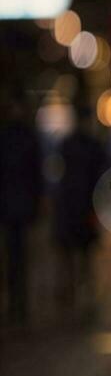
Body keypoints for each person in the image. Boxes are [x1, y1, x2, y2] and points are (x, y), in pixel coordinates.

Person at [52, 103, 107, 310]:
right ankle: (82, 290)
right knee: (83, 252)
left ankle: (74, 290)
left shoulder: (69, 143)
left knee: (74, 252)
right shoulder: (91, 145)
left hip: (72, 203)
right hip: (83, 203)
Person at [0, 94, 43, 324]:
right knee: (15, 255)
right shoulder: (13, 137)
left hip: (18, 205)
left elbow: (35, 174)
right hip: (13, 205)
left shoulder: (24, 137)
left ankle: (19, 303)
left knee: (20, 255)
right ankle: (15, 302)